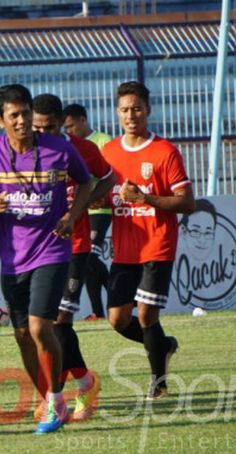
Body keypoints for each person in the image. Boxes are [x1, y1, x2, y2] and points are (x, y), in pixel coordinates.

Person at [0, 84, 93, 434]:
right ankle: (51, 400)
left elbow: (86, 182)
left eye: (25, 113)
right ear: (0, 121)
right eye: (15, 116)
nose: (23, 121)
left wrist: (71, 216)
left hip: (52, 250)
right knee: (22, 334)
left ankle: (54, 398)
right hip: (12, 257)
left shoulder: (59, 148)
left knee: (41, 326)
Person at [103, 81, 195, 400]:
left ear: (148, 110)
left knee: (146, 315)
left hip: (158, 245)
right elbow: (104, 194)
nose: (131, 115)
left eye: (137, 109)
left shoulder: (164, 151)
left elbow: (187, 202)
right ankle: (164, 346)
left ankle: (159, 385)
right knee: (117, 319)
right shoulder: (109, 152)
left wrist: (146, 198)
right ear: (118, 112)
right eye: (125, 109)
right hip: (125, 249)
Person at [32, 94, 115, 422]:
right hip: (36, 247)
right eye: (37, 127)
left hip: (74, 244)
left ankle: (56, 396)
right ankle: (84, 382)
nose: (43, 133)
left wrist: (81, 206)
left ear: (62, 123)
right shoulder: (27, 149)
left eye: (50, 127)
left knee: (58, 321)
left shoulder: (81, 149)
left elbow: (109, 177)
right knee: (42, 324)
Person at [63, 103, 114, 320]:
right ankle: (99, 311)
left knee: (90, 259)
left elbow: (110, 173)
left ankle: (117, 296)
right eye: (65, 127)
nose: (68, 131)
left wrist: (93, 195)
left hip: (99, 210)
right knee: (89, 265)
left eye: (72, 126)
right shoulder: (66, 145)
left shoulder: (102, 141)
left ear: (83, 120)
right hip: (81, 211)